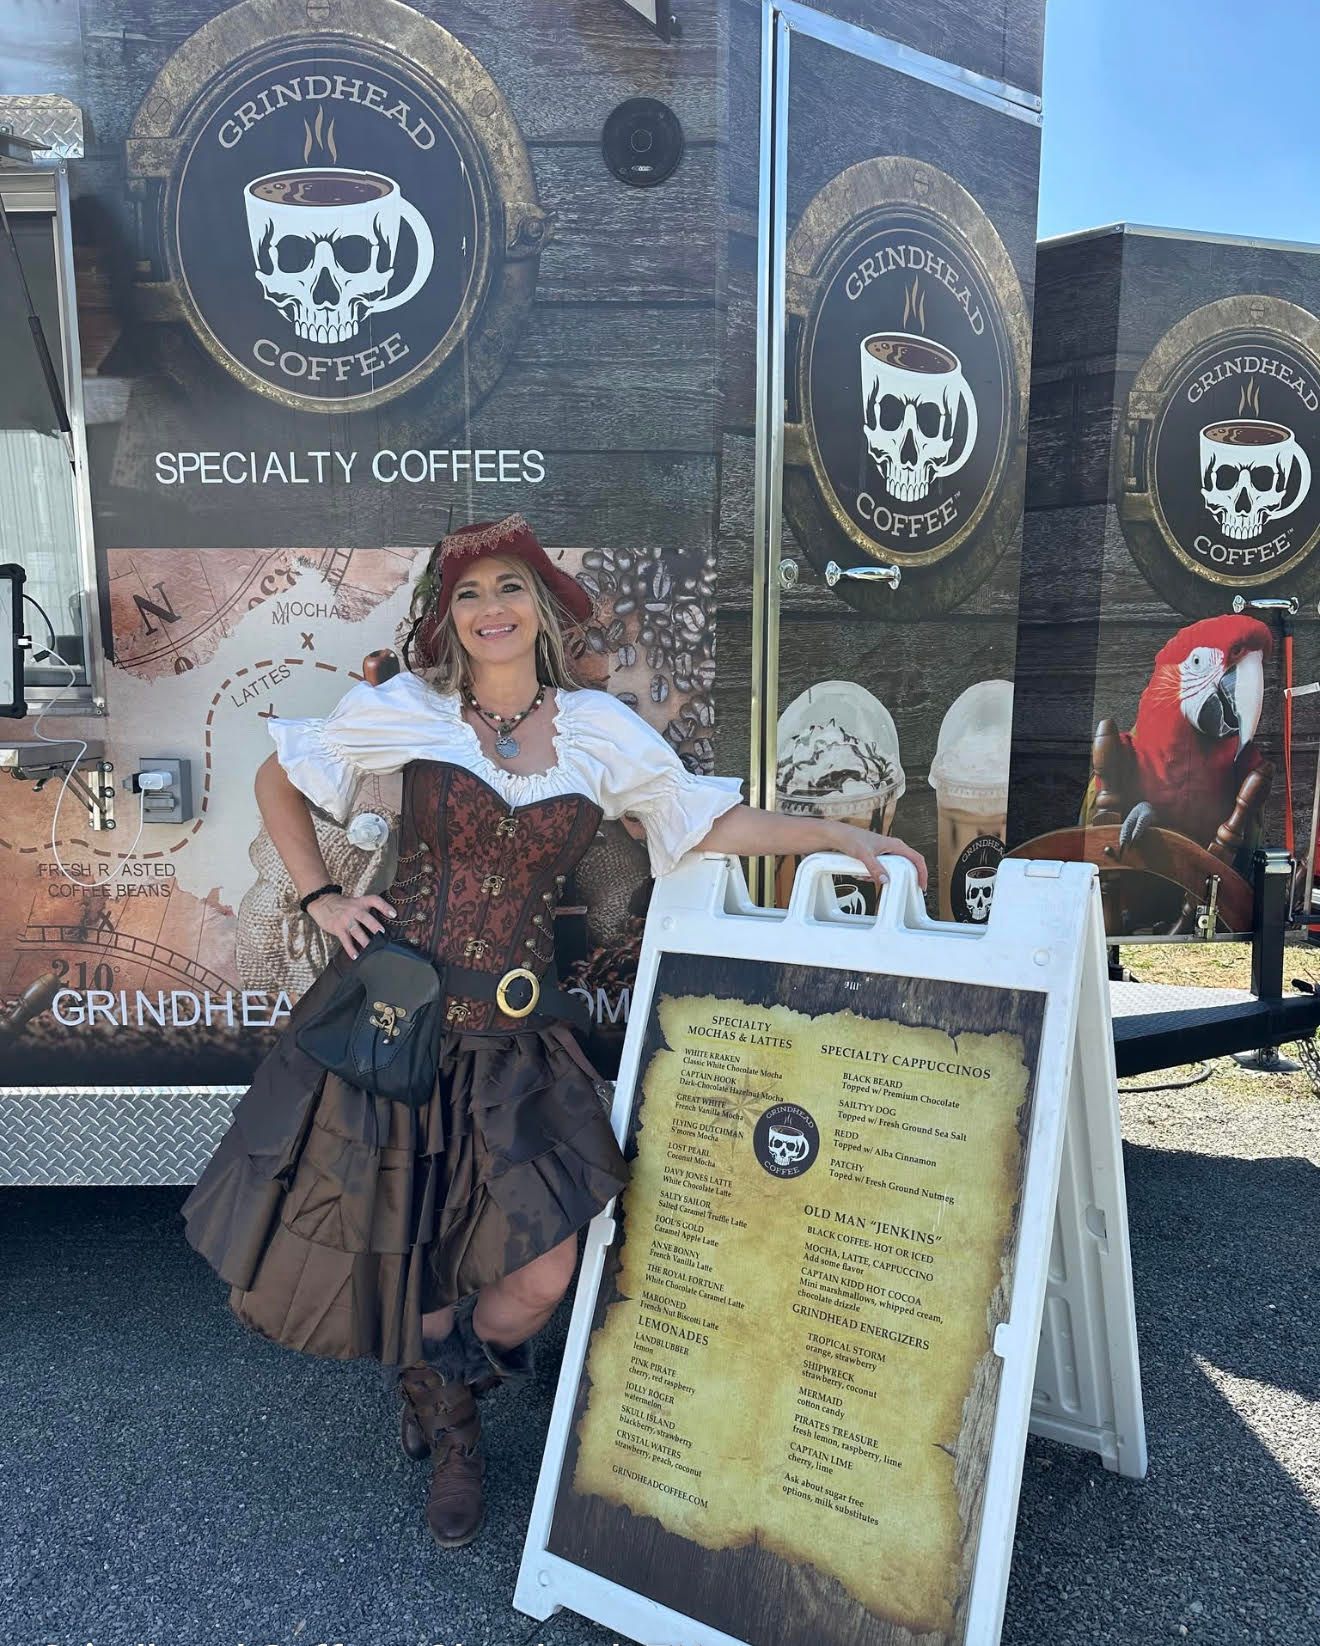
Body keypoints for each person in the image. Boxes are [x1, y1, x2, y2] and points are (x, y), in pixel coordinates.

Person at [180, 514, 927, 1551]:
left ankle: (445, 1381)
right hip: (405, 1023)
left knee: (545, 1267)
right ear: (450, 617)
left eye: (508, 589)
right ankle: (453, 1423)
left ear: (538, 609)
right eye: (470, 593)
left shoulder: (595, 730)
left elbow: (699, 825)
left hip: (516, 1037)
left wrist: (832, 833)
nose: (490, 608)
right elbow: (279, 776)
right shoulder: (412, 710)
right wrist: (321, 896)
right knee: (415, 1248)